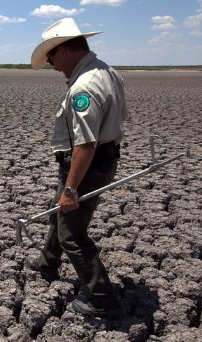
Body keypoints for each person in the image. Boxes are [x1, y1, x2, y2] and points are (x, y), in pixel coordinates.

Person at [24, 18, 128, 317]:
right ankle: (47, 263)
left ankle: (103, 299)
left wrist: (71, 188)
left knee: (72, 233)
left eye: (52, 57)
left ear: (65, 50)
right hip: (98, 161)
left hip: (86, 166)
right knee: (59, 212)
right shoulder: (107, 71)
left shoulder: (84, 86)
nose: (52, 65)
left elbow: (86, 144)